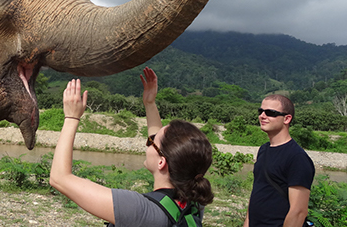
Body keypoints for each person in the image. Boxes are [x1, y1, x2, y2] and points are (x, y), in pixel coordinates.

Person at [49, 67, 214, 226]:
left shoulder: (140, 211)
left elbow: (60, 178)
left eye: (152, 142)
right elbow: (162, 144)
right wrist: (149, 103)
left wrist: (71, 117)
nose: (149, 140)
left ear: (161, 162)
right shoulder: (192, 205)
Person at [244, 94, 315, 227]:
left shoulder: (297, 158)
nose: (262, 116)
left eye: (270, 113)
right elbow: (258, 191)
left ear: (287, 119)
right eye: (261, 111)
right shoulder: (264, 150)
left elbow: (298, 212)